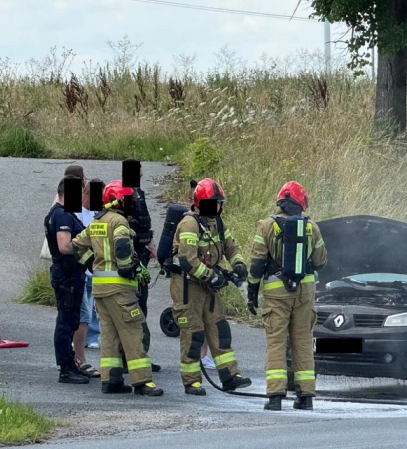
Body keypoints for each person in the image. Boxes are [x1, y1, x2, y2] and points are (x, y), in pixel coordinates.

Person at [72, 180, 163, 396]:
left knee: (109, 334)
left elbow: (76, 245)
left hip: (100, 290)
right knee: (133, 331)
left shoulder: (97, 222)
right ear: (119, 201)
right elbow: (122, 248)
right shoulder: (120, 221)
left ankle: (111, 380)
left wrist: (92, 264)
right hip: (120, 289)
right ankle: (142, 381)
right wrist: (129, 268)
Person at [247, 181, 327, 411]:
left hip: (276, 292)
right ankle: (306, 396)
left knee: (276, 341)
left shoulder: (266, 226)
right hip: (305, 291)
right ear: (302, 204)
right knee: (302, 341)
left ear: (280, 202)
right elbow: (321, 261)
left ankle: (275, 396)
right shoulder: (312, 227)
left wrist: (252, 291)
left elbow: (257, 263)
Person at [169, 178, 251, 395]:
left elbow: (231, 247)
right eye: (211, 202)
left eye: (217, 202)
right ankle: (192, 381)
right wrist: (211, 277)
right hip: (189, 287)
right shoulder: (189, 224)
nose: (215, 206)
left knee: (219, 329)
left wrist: (239, 263)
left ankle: (229, 376)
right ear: (198, 202)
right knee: (193, 334)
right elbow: (188, 260)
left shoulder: (217, 223)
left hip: (208, 287)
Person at [45, 175, 89, 384]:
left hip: (71, 274)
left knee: (70, 320)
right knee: (66, 322)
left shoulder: (63, 214)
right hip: (67, 275)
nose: (83, 197)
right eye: (81, 192)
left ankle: (70, 364)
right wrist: (86, 244)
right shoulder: (62, 216)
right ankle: (66, 368)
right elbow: (64, 247)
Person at [121, 160, 161, 372]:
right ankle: (130, 356)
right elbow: (126, 226)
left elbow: (145, 223)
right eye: (140, 170)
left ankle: (140, 354)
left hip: (143, 252)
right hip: (134, 257)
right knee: (134, 307)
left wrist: (150, 242)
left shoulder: (138, 192)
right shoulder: (126, 194)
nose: (143, 173)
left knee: (142, 306)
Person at [72, 178, 102, 378]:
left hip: (94, 271)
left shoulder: (97, 212)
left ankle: (86, 343)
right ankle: (78, 356)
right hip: (83, 270)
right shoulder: (75, 212)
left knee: (89, 312)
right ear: (86, 193)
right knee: (82, 315)